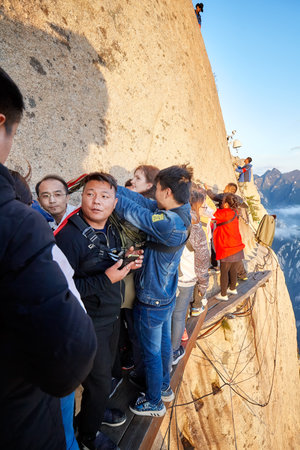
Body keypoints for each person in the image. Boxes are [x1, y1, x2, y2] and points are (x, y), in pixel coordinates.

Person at [0, 67, 97, 449]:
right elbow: (69, 359)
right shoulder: (22, 228)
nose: (53, 201)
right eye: (45, 195)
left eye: (60, 194)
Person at [55, 172, 143, 450]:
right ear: (81, 197)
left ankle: (94, 410)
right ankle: (88, 436)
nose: (96, 201)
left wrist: (127, 264)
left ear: (115, 202)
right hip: (87, 321)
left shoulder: (112, 228)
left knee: (104, 377)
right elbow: (60, 289)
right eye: (90, 194)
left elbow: (109, 261)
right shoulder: (68, 237)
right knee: (100, 379)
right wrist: (107, 279)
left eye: (104, 196)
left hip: (110, 313)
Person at [115, 165, 192, 417]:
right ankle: (163, 388)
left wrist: (110, 195)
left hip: (152, 298)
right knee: (162, 347)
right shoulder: (180, 211)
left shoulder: (169, 223)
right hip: (164, 294)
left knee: (151, 352)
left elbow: (136, 213)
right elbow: (144, 204)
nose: (153, 193)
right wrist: (112, 187)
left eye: (156, 189)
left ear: (167, 191)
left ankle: (154, 402)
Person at [171, 190, 210, 365]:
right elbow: (202, 260)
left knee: (167, 314)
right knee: (179, 315)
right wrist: (203, 285)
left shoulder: (172, 221)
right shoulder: (195, 229)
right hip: (186, 278)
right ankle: (172, 352)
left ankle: (165, 348)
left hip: (168, 276)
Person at [213, 193, 245, 301]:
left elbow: (212, 214)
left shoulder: (224, 213)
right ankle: (232, 288)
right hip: (237, 247)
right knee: (233, 270)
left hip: (227, 248)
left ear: (226, 204)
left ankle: (223, 294)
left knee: (224, 272)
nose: (221, 204)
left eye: (222, 202)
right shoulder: (235, 211)